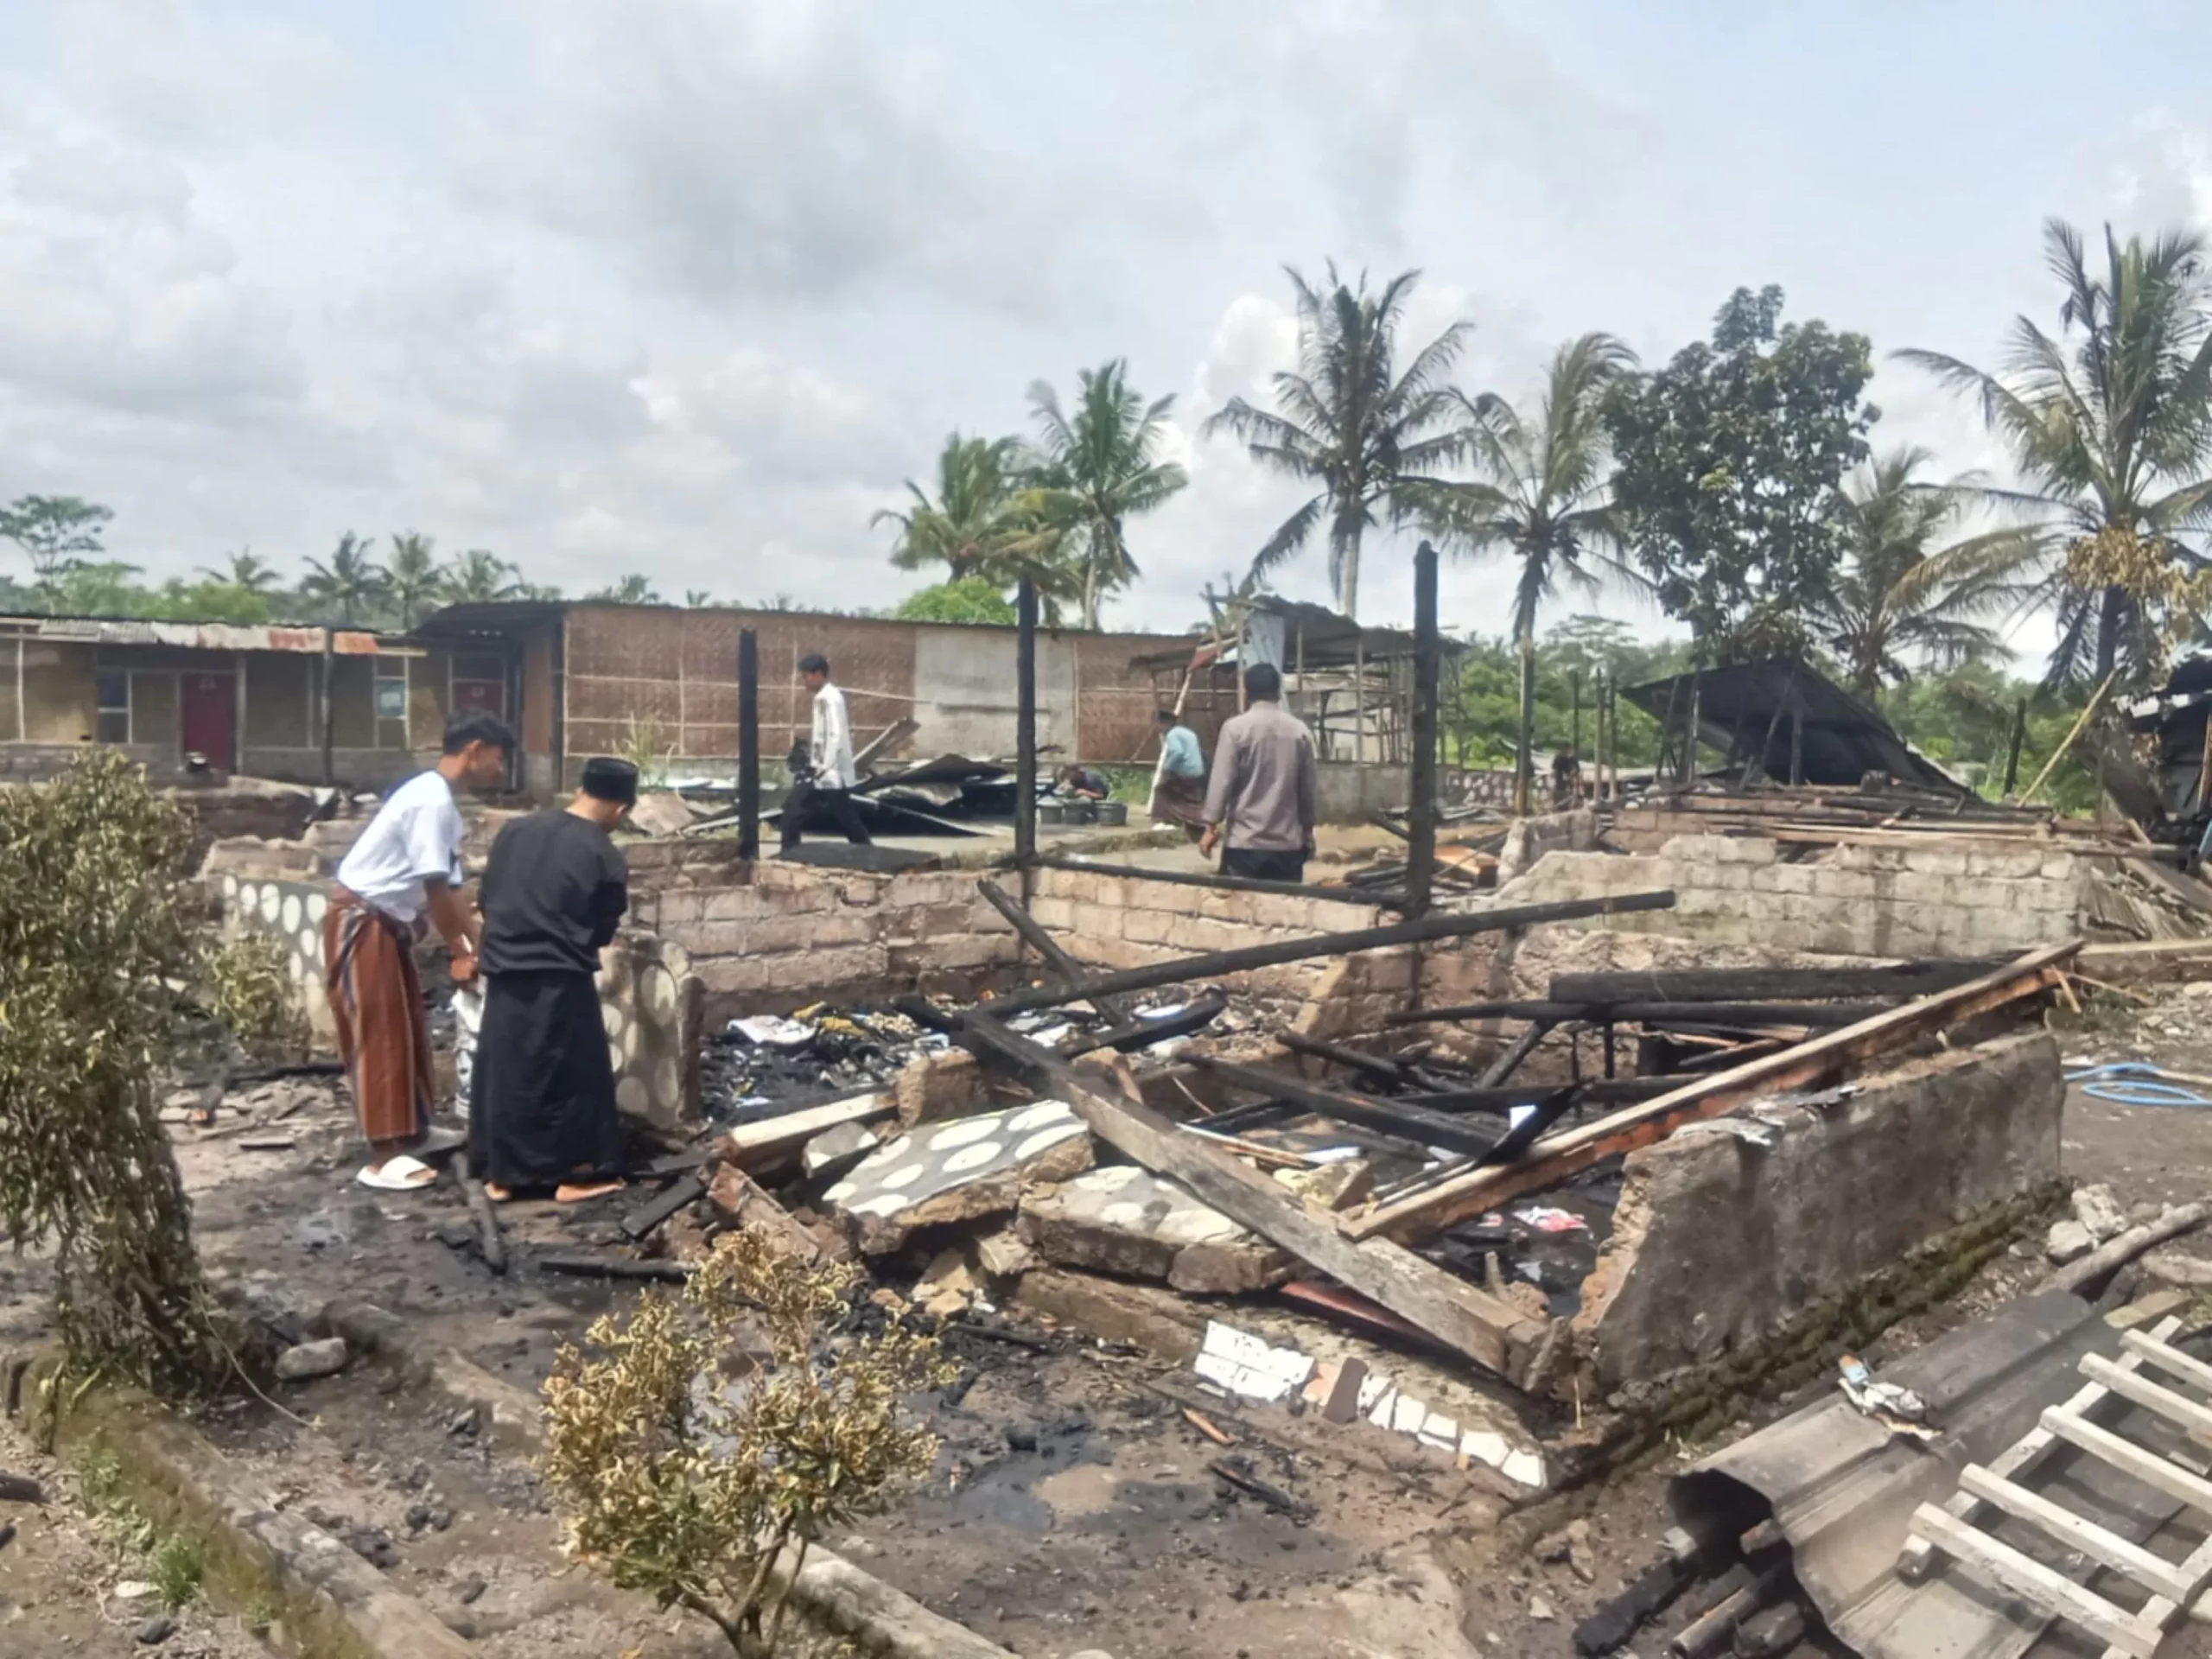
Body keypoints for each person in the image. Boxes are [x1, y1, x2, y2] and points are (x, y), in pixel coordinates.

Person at [325, 711, 514, 1191]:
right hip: (362, 922)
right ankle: (383, 1155)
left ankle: (412, 1129)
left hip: (387, 925)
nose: (501, 769)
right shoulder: (431, 801)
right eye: (498, 757)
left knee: (407, 1026)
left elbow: (452, 888)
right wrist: (458, 949)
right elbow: (435, 887)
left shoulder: (439, 802)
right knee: (380, 1031)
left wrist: (479, 941)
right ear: (474, 750)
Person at [469, 758, 636, 1204]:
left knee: (507, 1070)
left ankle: (502, 1176)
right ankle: (576, 1175)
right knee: (574, 1077)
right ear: (620, 809)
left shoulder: (515, 832)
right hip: (561, 973)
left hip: (504, 969)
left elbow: (486, 899)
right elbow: (604, 925)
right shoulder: (602, 852)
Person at [1200, 664, 1318, 883]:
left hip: (1244, 845)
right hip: (1287, 847)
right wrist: (1308, 832)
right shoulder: (1300, 731)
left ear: (1246, 692)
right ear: (1278, 691)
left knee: (1239, 914)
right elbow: (1307, 789)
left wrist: (1210, 827)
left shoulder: (1235, 729)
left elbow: (1221, 782)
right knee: (1284, 912)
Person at [781, 652, 872, 849]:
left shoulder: (830, 699)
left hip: (828, 771)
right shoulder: (824, 698)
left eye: (806, 676)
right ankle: (865, 848)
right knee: (842, 813)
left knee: (794, 807)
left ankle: (789, 850)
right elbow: (823, 736)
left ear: (818, 674)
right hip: (824, 770)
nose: (804, 682)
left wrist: (824, 766)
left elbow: (836, 735)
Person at [1147, 707, 1208, 837]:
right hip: (1198, 772)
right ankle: (1194, 819)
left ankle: (1161, 821)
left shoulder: (1172, 734)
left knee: (1161, 790)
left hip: (1185, 773)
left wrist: (1167, 768)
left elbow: (1177, 752)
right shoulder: (1188, 732)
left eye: (1160, 724)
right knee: (1186, 798)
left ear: (1165, 723)